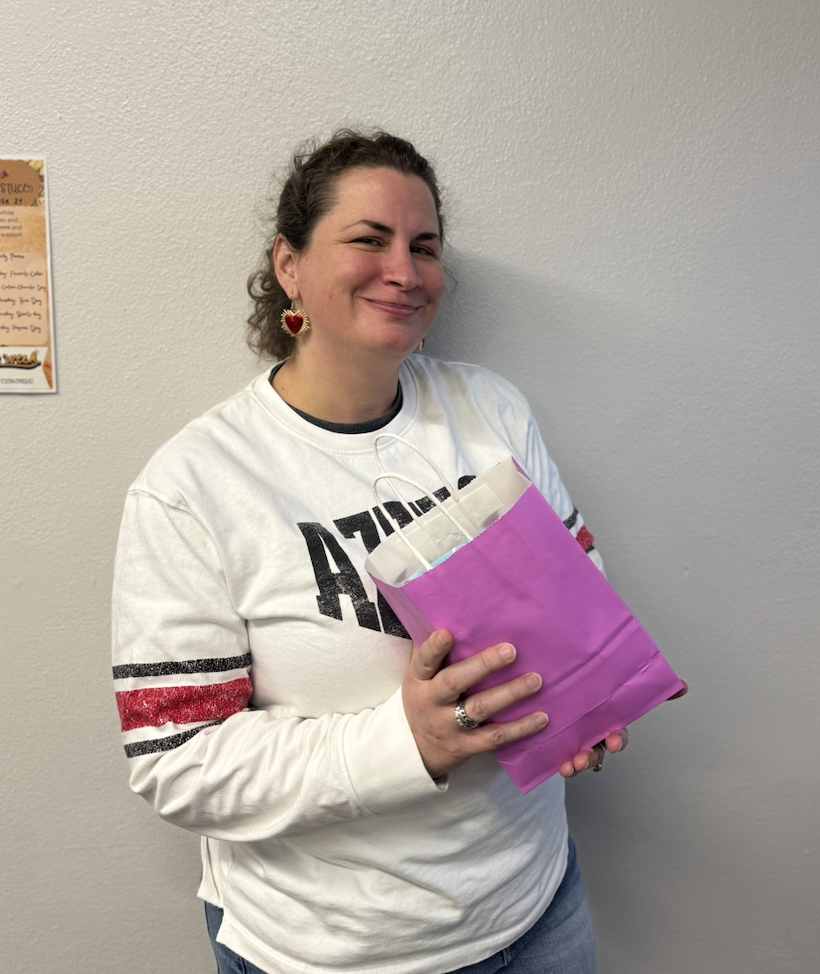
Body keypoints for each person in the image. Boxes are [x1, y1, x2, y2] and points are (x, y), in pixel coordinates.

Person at [112, 130, 648, 974]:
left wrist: (583, 697)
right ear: (289, 265)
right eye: (369, 239)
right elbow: (177, 763)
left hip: (537, 908)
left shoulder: (490, 409)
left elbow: (581, 589)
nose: (404, 270)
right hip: (332, 949)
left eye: (423, 247)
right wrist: (409, 742)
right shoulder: (194, 485)